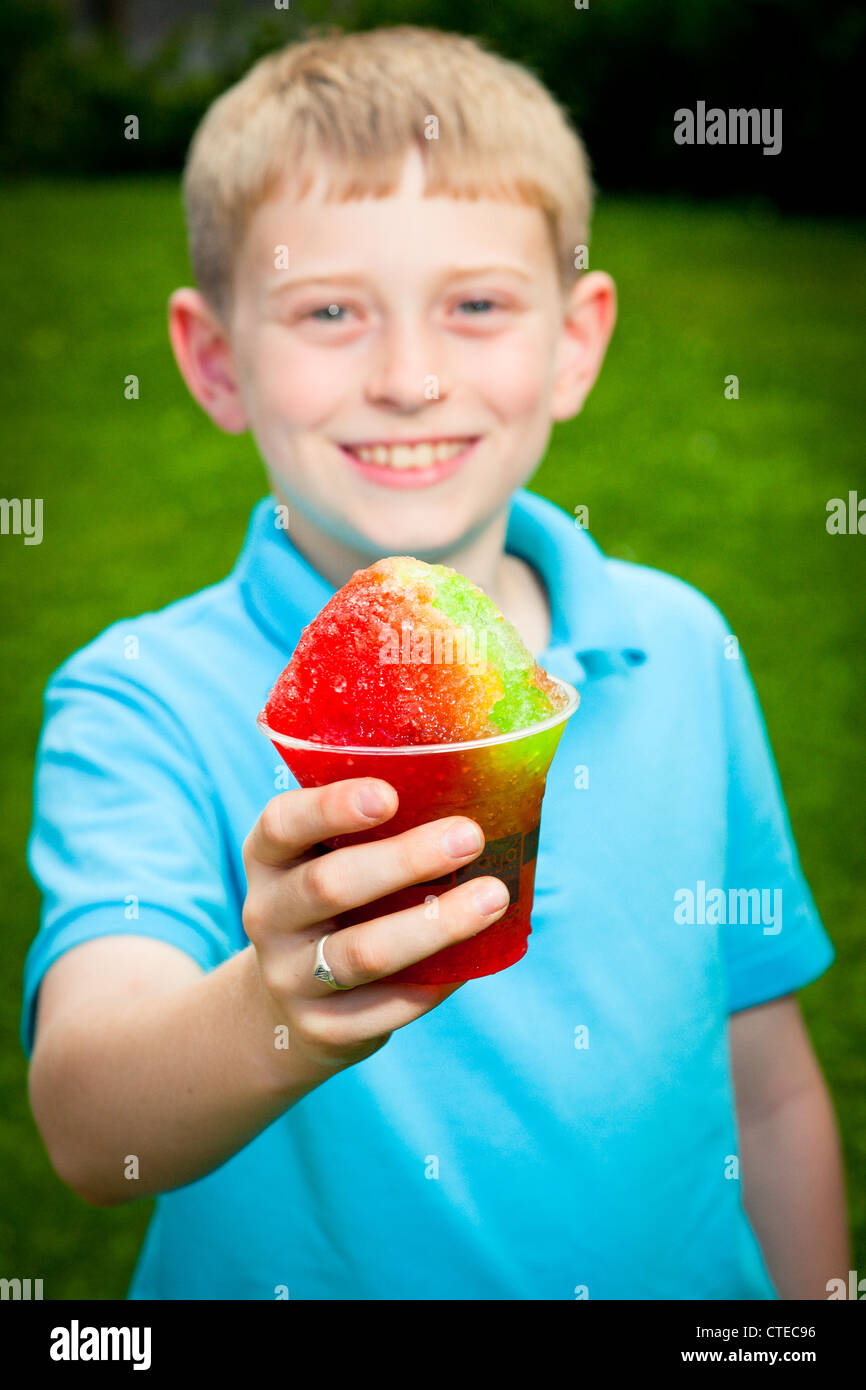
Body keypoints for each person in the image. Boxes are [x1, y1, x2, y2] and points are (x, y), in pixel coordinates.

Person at [22, 24, 849, 1300]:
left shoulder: (679, 645)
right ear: (215, 359)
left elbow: (768, 1078)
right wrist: (279, 1005)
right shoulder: (141, 699)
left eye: (474, 306)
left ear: (573, 342)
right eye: (330, 312)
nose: (409, 378)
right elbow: (92, 1125)